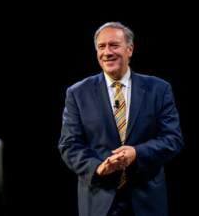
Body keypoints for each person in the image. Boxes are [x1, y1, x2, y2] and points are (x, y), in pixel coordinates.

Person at [58, 22, 184, 216]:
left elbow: (173, 139)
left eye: (114, 45)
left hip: (147, 201)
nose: (107, 52)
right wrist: (97, 167)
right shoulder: (77, 93)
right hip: (98, 201)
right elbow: (69, 144)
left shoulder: (159, 89)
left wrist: (137, 153)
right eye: (101, 47)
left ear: (130, 49)